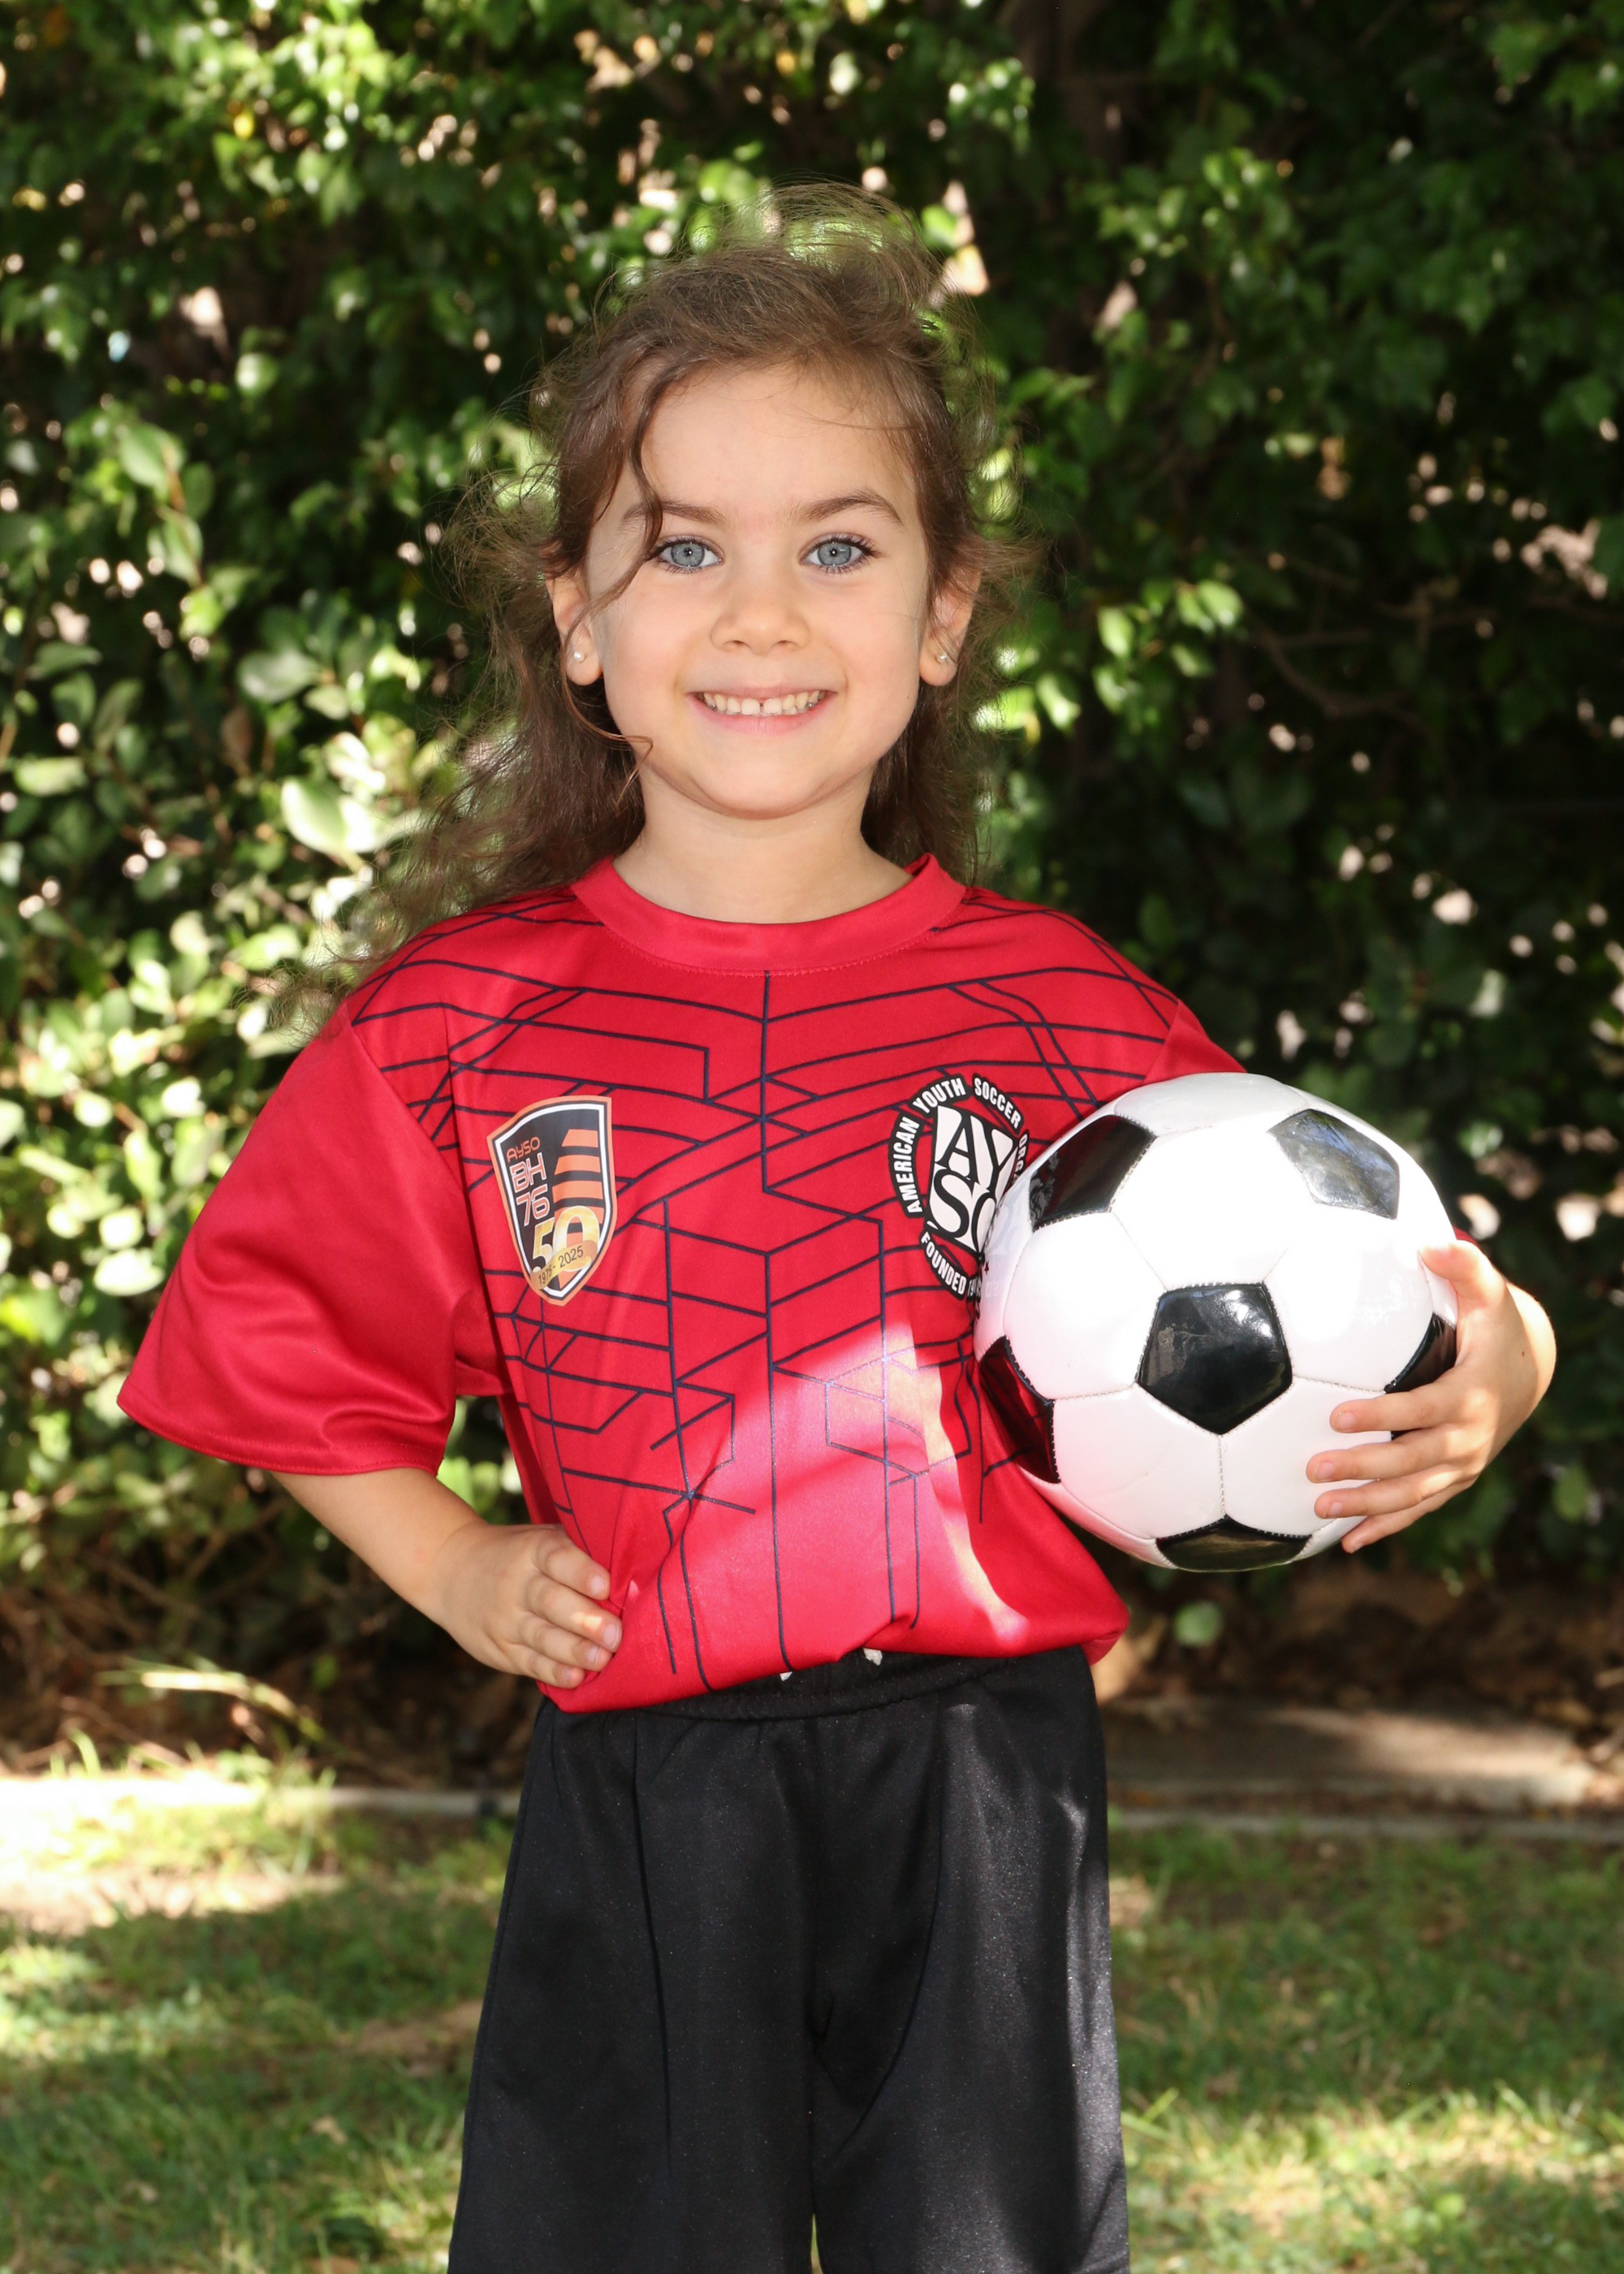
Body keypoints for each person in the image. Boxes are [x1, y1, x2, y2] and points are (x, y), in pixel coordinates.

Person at [120, 192, 1555, 2274]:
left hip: (984, 1780)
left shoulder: (1065, 1014)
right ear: (579, 619)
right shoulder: (462, 1026)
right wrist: (451, 1562)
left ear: (944, 614)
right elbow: (276, 1346)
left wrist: (1494, 1362)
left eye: (840, 547)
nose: (763, 614)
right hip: (648, 1775)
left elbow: (1384, 1268)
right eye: (684, 548)